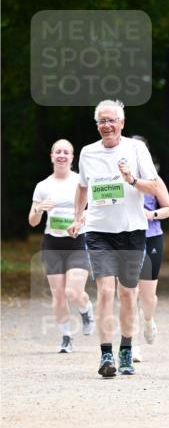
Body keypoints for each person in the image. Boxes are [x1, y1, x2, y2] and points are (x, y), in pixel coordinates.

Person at [68, 100, 159, 378]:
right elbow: (82, 188)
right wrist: (77, 216)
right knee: (106, 291)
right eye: (102, 121)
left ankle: (127, 351)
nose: (106, 126)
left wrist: (131, 180)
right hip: (99, 232)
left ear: (121, 123)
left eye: (111, 120)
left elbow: (153, 185)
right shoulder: (87, 153)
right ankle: (106, 353)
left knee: (127, 293)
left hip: (131, 230)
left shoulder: (136, 148)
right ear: (97, 125)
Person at [28, 138, 94, 353]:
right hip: (53, 244)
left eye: (66, 152)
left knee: (73, 292)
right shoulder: (43, 186)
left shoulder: (80, 182)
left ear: (72, 157)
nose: (62, 155)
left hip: (77, 242)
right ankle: (66, 337)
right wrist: (38, 210)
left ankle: (85, 309)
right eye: (58, 152)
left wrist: (80, 218)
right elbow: (32, 220)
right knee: (58, 295)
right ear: (52, 156)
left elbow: (93, 210)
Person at [130, 136, 169, 363]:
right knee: (129, 293)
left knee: (147, 297)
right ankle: (133, 345)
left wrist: (151, 214)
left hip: (151, 238)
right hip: (127, 239)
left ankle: (148, 320)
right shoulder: (118, 179)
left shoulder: (155, 180)